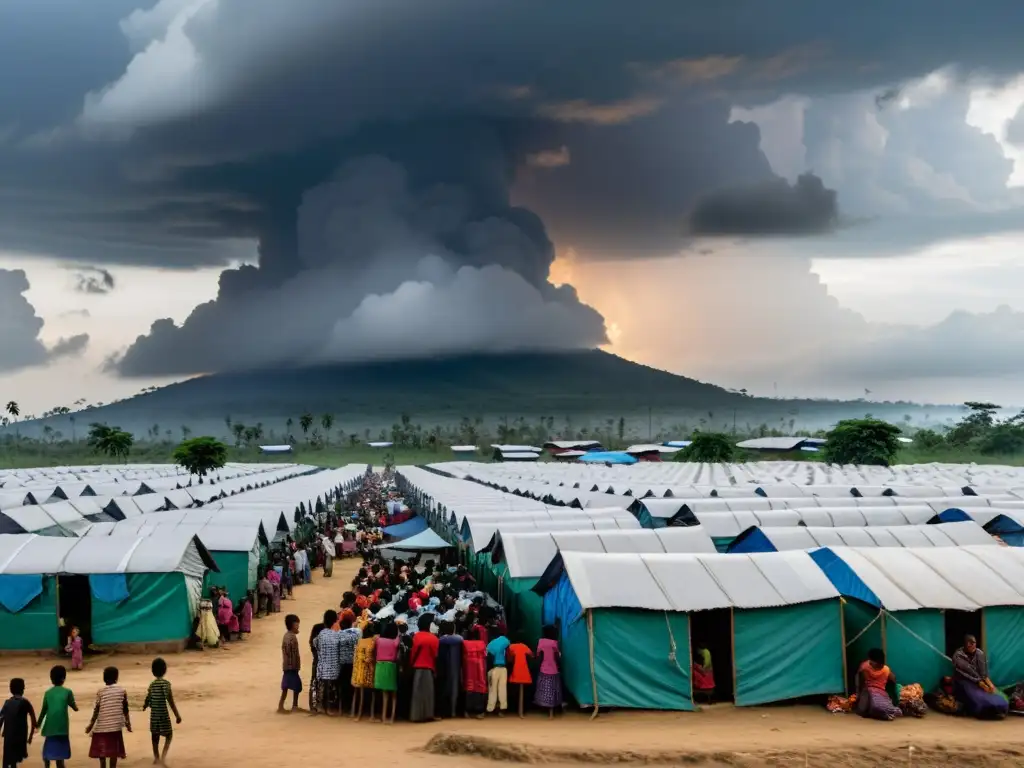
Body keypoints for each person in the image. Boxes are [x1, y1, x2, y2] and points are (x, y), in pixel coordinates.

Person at [952, 635, 1008, 719]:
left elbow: (983, 673)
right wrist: (981, 684)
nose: (972, 646)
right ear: (965, 645)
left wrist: (990, 685)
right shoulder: (958, 655)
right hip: (963, 680)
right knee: (976, 696)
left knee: (995, 696)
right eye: (969, 644)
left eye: (973, 643)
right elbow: (967, 672)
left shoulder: (979, 653)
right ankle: (981, 711)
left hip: (979, 681)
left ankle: (998, 709)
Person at [85, 667, 131, 768]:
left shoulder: (100, 692)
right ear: (116, 678)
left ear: (104, 678)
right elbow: (125, 709)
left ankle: (103, 766)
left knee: (102, 753)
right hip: (115, 728)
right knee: (113, 753)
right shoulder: (122, 691)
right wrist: (128, 724)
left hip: (101, 728)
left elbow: (96, 710)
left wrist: (90, 725)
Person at [143, 658, 181, 765]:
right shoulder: (166, 684)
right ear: (165, 670)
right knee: (169, 735)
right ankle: (163, 757)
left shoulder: (152, 685)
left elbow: (148, 698)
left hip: (154, 716)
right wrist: (177, 716)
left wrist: (145, 706)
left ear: (152, 671)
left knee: (155, 736)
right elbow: (171, 702)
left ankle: (156, 757)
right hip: (163, 714)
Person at [37, 665, 77, 768]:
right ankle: (60, 765)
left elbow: (43, 710)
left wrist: (38, 724)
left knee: (48, 748)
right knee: (61, 751)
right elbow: (73, 705)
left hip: (50, 727)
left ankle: (47, 765)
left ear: (51, 679)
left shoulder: (47, 693)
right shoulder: (67, 692)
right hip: (62, 726)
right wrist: (76, 708)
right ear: (64, 678)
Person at [854, 648, 902, 721]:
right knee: (872, 707)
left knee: (875, 706)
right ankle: (884, 714)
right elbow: (861, 682)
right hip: (869, 692)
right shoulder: (865, 667)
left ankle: (884, 713)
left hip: (880, 693)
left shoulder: (885, 669)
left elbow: (893, 680)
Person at [409, 614, 440, 722]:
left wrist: (411, 663)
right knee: (428, 694)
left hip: (417, 667)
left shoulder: (416, 636)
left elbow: (413, 653)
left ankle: (416, 715)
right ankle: (428, 715)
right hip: (429, 667)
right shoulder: (434, 638)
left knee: (417, 693)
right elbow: (436, 655)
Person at [0, 678, 36, 768]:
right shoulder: (25, 702)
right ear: (22, 689)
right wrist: (31, 735)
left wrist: (3, 730)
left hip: (9, 736)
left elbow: (1, 719)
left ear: (11, 689)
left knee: (8, 759)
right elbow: (33, 720)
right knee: (15, 758)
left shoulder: (7, 703)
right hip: (20, 735)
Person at [314, 611, 343, 715]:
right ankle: (331, 708)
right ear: (335, 621)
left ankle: (322, 706)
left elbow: (315, 644)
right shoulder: (337, 635)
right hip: (334, 667)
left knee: (323, 688)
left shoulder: (321, 634)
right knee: (334, 689)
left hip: (323, 667)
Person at [436, 621, 463, 719]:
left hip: (444, 669)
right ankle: (453, 711)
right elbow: (459, 638)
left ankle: (445, 712)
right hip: (455, 668)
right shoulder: (458, 639)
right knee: (454, 690)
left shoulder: (441, 640)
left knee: (444, 690)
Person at [534, 626, 562, 718]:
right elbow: (557, 657)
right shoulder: (554, 643)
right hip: (553, 670)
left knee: (544, 691)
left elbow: (538, 656)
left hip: (543, 669)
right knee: (553, 691)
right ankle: (551, 713)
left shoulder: (541, 642)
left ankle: (544, 709)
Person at [373, 623, 399, 724]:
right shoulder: (395, 641)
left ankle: (383, 717)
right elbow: (398, 641)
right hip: (390, 666)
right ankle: (391, 718)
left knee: (384, 694)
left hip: (380, 666)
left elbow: (375, 639)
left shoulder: (379, 640)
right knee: (393, 694)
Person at [351, 624, 377, 721]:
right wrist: (373, 670)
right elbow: (369, 659)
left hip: (359, 672)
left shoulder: (359, 642)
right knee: (372, 695)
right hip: (368, 671)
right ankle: (372, 716)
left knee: (361, 695)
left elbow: (356, 657)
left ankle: (358, 715)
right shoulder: (372, 642)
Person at [279, 614, 303, 714]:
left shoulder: (287, 635)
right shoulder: (291, 637)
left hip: (288, 666)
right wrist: (294, 666)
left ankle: (287, 705)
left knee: (287, 686)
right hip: (291, 667)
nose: (298, 626)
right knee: (294, 686)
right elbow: (290, 653)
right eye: (297, 624)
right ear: (293, 625)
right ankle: (292, 706)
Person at [506, 636, 533, 718]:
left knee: (514, 690)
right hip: (524, 670)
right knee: (523, 691)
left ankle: (515, 709)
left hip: (516, 669)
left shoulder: (512, 646)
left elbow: (509, 659)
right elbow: (532, 655)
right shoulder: (524, 646)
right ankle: (522, 711)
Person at [486, 628, 511, 717]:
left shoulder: (490, 644)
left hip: (493, 668)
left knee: (492, 689)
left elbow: (488, 657)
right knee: (502, 689)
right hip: (503, 668)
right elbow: (509, 655)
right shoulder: (506, 640)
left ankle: (490, 709)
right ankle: (502, 709)